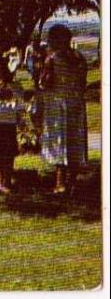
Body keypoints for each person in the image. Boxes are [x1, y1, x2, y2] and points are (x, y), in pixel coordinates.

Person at [39, 24, 88, 195]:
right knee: (74, 141)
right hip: (76, 102)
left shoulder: (52, 59)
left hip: (58, 103)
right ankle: (72, 182)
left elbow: (45, 82)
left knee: (60, 141)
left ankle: (60, 184)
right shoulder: (80, 57)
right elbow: (83, 83)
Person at [0, 63, 24, 194]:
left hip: (9, 123)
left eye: (0, 72)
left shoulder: (14, 87)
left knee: (9, 153)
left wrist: (20, 120)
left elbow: (19, 105)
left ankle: (7, 181)